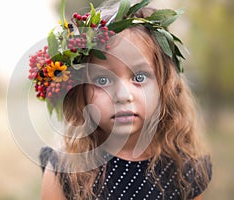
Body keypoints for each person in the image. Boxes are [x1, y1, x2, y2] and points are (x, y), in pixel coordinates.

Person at [28, 0, 212, 199]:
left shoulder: (184, 171)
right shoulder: (64, 170)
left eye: (139, 77)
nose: (123, 96)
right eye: (103, 79)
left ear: (164, 86)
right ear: (81, 92)